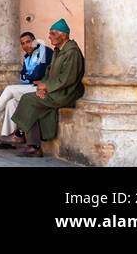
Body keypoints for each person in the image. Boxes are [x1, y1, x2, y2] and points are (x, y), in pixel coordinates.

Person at [10, 19, 85, 158]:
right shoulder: (58, 50)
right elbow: (48, 73)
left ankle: (21, 136)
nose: (49, 36)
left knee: (28, 99)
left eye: (52, 34)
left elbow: (68, 79)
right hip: (55, 90)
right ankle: (33, 146)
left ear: (62, 35)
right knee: (32, 101)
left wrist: (47, 87)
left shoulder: (72, 52)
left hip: (66, 93)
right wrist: (42, 88)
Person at [0, 31, 52, 142]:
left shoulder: (44, 51)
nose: (26, 45)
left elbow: (38, 74)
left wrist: (31, 76)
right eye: (23, 43)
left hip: (43, 88)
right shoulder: (27, 57)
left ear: (34, 41)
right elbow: (23, 76)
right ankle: (6, 138)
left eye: (28, 42)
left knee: (9, 89)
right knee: (11, 103)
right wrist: (31, 76)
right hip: (31, 87)